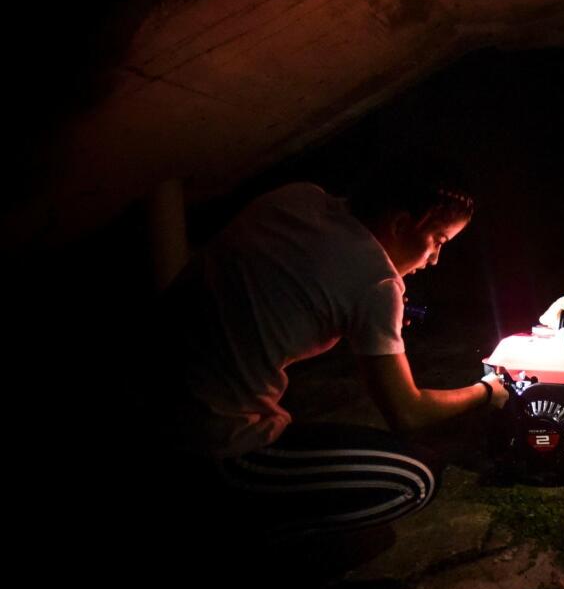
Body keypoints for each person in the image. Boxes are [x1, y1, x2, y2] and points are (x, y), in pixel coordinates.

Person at [145, 173, 509, 545]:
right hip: (210, 446)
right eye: (437, 241)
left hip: (143, 401)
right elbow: (407, 413)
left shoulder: (296, 197)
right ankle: (238, 542)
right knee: (415, 477)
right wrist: (487, 390)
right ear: (400, 224)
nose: (434, 259)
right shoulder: (377, 284)